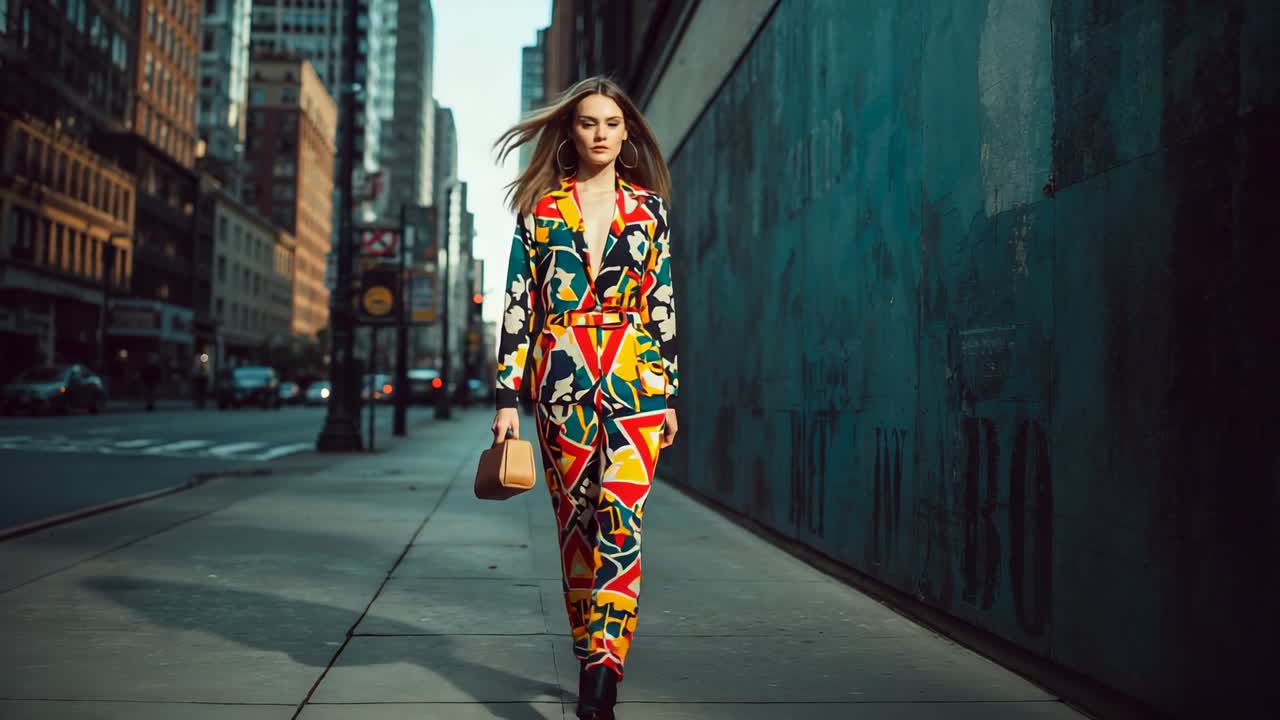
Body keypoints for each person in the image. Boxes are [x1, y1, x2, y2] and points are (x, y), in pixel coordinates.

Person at [491, 76, 680, 720]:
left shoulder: (650, 210)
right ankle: (586, 646)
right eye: (588, 123)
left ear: (628, 136)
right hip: (559, 380)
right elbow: (519, 304)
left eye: (612, 123)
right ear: (570, 133)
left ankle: (603, 670)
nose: (600, 133)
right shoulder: (540, 211)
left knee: (622, 522)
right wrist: (505, 396)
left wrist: (671, 394)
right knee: (578, 525)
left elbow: (662, 304)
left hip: (637, 379)